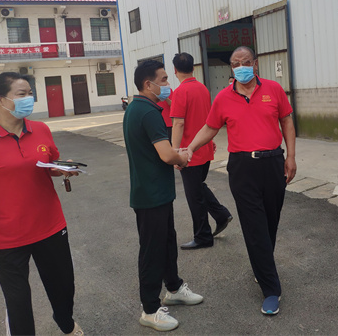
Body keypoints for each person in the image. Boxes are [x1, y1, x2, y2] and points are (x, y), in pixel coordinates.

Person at [0, 72, 83, 336]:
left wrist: (62, 169)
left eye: (30, 93)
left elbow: (48, 164)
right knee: (18, 303)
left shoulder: (41, 130)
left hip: (50, 226)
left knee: (63, 287)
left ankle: (67, 323)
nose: (29, 99)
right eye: (21, 94)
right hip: (7, 238)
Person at [186, 46, 296, 316]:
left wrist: (291, 156)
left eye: (246, 62)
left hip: (273, 163)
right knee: (254, 227)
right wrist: (190, 148)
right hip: (242, 168)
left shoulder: (274, 90)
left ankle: (262, 266)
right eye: (236, 64)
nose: (241, 67)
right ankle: (271, 290)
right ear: (231, 68)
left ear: (255, 64)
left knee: (270, 222)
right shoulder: (223, 97)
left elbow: (287, 122)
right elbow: (210, 127)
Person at [123, 59, 204, 332]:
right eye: (164, 80)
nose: (168, 84)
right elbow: (167, 155)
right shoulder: (148, 112)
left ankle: (174, 288)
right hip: (151, 194)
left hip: (156, 191)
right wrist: (182, 156)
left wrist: (175, 154)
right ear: (149, 84)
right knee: (152, 250)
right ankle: (149, 309)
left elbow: (158, 152)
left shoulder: (136, 108)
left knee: (167, 242)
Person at [170, 52, 233, 250]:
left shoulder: (180, 92)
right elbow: (208, 120)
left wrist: (175, 153)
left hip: (188, 153)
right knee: (198, 187)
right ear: (193, 67)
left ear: (175, 70)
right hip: (204, 149)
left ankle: (203, 236)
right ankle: (221, 214)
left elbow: (178, 123)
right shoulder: (203, 89)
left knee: (194, 196)